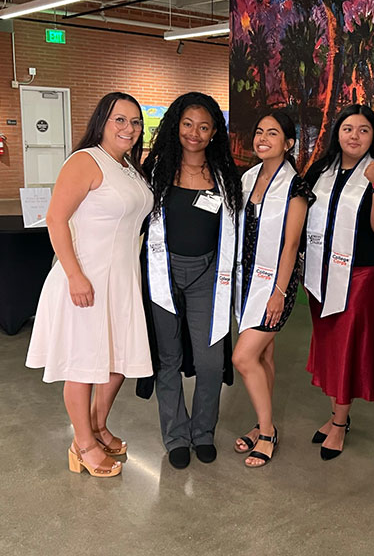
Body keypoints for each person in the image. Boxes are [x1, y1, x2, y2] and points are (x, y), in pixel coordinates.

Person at [26, 92, 153, 477]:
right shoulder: (85, 161)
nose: (128, 128)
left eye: (135, 122)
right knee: (84, 364)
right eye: (120, 119)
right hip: (86, 280)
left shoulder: (128, 167)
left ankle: (97, 426)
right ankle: (82, 444)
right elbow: (55, 219)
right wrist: (74, 275)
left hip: (122, 282)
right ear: (102, 121)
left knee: (116, 362)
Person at [140, 92, 242, 469]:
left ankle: (203, 432)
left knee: (211, 360)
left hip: (208, 276)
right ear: (175, 125)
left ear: (215, 131)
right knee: (168, 358)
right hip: (161, 272)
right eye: (187, 124)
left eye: (203, 126)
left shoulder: (224, 176)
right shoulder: (157, 169)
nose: (194, 133)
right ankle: (176, 435)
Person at [304, 104, 374, 461]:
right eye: (348, 129)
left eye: (363, 130)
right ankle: (335, 413)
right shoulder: (321, 170)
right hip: (322, 273)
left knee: (347, 346)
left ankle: (341, 423)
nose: (354, 136)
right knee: (330, 344)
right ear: (337, 133)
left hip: (363, 275)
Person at [232, 110, 313, 468]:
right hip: (245, 281)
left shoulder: (295, 186)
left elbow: (291, 245)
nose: (263, 138)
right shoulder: (248, 178)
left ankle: (267, 433)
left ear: (289, 142)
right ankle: (261, 421)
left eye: (273, 133)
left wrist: (279, 293)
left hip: (274, 285)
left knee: (243, 357)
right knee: (263, 357)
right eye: (260, 131)